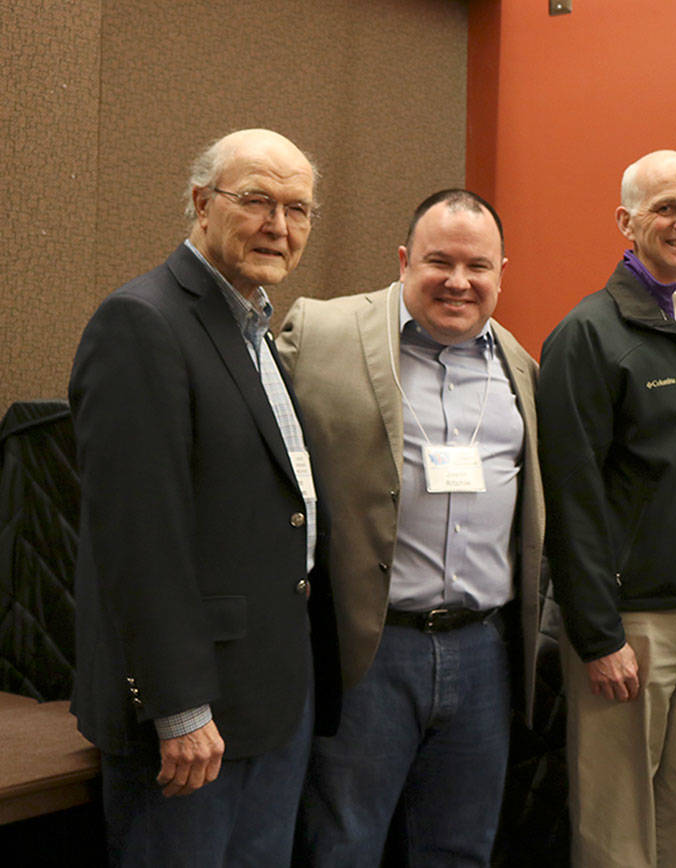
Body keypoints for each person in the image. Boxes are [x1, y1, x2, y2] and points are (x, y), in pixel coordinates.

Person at [67, 128, 341, 865]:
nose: (278, 226)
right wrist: (180, 707)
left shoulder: (253, 329)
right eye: (256, 200)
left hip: (266, 700)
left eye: (297, 209)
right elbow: (137, 541)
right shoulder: (142, 322)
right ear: (200, 202)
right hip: (193, 719)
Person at [276, 189, 544, 865]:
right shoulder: (323, 332)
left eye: (478, 266)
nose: (459, 281)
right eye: (439, 262)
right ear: (403, 261)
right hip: (368, 652)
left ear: (502, 272)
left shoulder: (521, 366)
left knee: (461, 850)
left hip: (483, 654)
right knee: (342, 847)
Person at [537, 149, 676, 868]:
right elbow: (571, 497)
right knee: (617, 829)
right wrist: (598, 636)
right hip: (631, 626)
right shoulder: (588, 335)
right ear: (626, 223)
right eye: (665, 208)